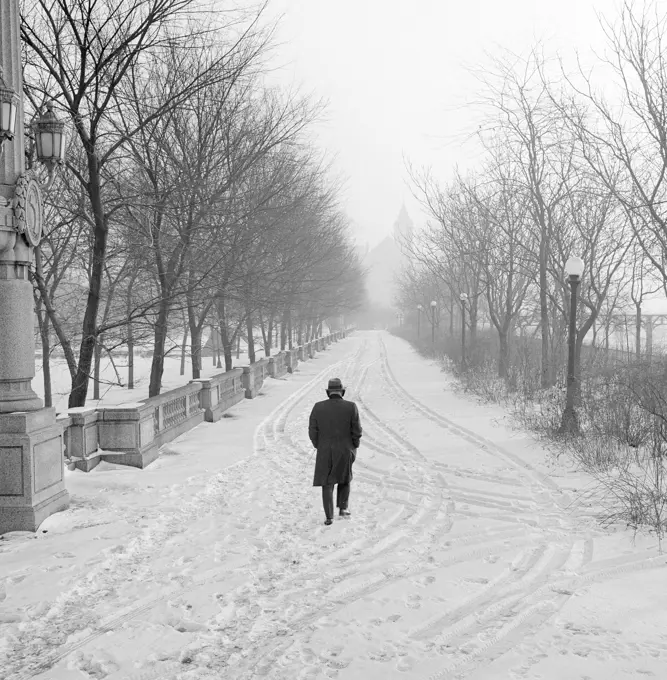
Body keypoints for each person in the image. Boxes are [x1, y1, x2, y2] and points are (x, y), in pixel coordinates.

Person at [309, 377, 363, 525]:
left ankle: (329, 516)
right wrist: (354, 446)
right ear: (341, 392)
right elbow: (357, 431)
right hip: (346, 449)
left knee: (327, 482)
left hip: (325, 449)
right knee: (344, 478)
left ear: (329, 392)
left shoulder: (318, 407)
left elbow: (312, 430)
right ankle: (343, 508)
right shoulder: (351, 407)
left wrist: (318, 444)